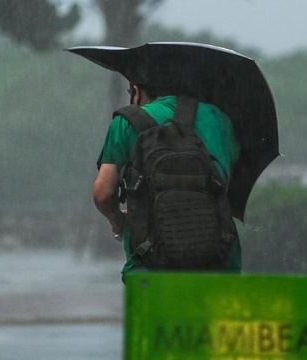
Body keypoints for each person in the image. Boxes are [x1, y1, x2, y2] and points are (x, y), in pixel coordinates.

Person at [93, 82, 242, 280]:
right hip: (218, 263)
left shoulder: (125, 122)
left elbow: (103, 194)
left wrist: (118, 222)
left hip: (149, 268)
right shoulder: (219, 120)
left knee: (155, 311)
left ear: (136, 92)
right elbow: (225, 182)